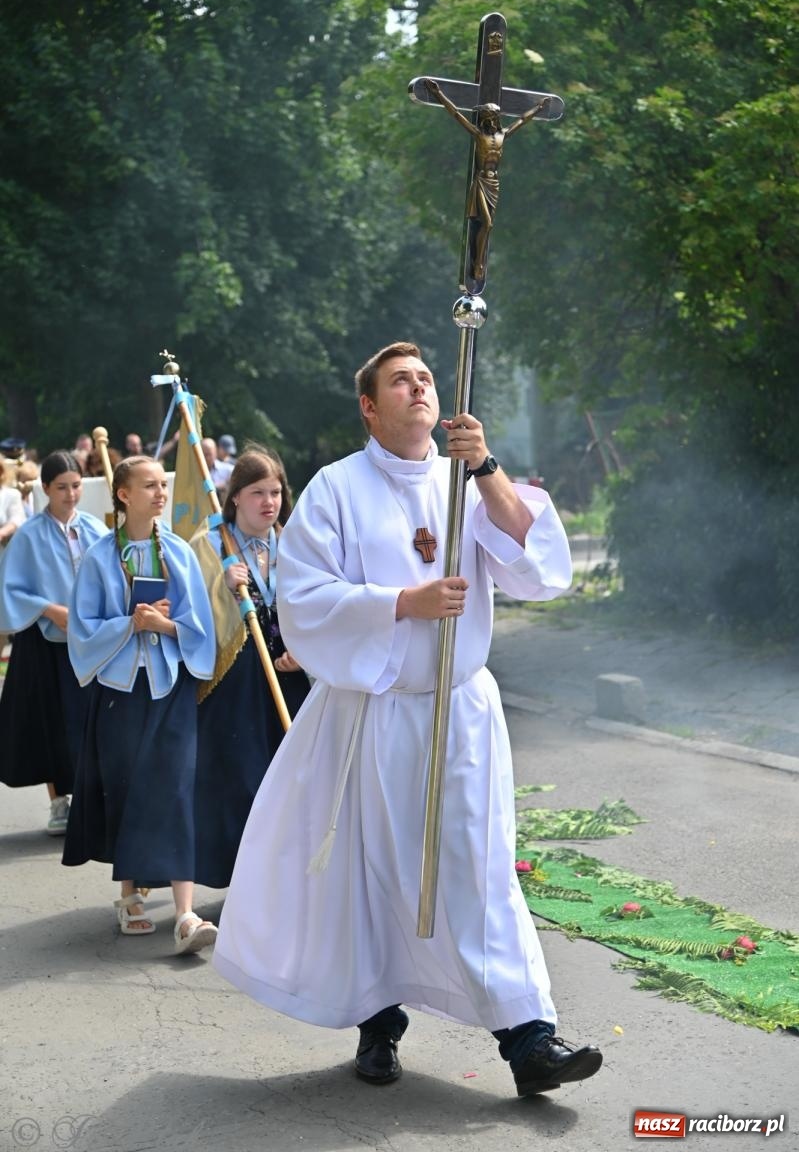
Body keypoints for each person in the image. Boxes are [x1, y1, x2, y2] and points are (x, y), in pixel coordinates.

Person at [214, 341, 603, 1097]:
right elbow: (302, 601)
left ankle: (529, 1039)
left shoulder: (468, 482)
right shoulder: (334, 490)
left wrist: (486, 468)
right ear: (369, 406)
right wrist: (402, 603)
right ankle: (378, 1027)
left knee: (479, 870)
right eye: (400, 381)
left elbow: (536, 567)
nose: (419, 388)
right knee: (376, 876)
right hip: (374, 714)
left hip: (459, 715)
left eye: (426, 377)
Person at [63, 455, 218, 953]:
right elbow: (82, 629)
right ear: (123, 494)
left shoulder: (178, 552)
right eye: (149, 485)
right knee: (126, 788)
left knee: (176, 788)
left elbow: (201, 631)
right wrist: (130, 623)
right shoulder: (99, 557)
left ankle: (186, 914)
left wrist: (164, 626)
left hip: (169, 688)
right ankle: (129, 896)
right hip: (119, 692)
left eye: (162, 484)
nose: (160, 493)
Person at [193, 445, 310, 889]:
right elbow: (190, 617)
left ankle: (286, 884)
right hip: (234, 682)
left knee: (291, 782)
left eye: (276, 492)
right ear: (235, 496)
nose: (269, 502)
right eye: (258, 492)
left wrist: (305, 649)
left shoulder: (294, 542)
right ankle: (245, 884)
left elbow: (316, 604)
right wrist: (222, 587)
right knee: (242, 782)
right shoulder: (208, 545)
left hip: (289, 677)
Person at [0, 451, 108, 834]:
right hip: (47, 644)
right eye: (61, 487)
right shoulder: (28, 535)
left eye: (76, 485)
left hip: (91, 641)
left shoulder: (96, 530)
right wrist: (48, 609)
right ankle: (59, 802)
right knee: (54, 723)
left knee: (92, 720)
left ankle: (97, 797)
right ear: (45, 489)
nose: (71, 494)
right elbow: (9, 588)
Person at [423, 79, 547, 284]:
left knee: (488, 224)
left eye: (491, 115)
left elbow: (523, 120)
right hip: (480, 181)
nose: (488, 118)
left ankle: (479, 261)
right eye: (486, 115)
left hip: (493, 183)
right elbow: (456, 114)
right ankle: (478, 263)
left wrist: (539, 107)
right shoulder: (478, 134)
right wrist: (438, 94)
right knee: (487, 224)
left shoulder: (503, 135)